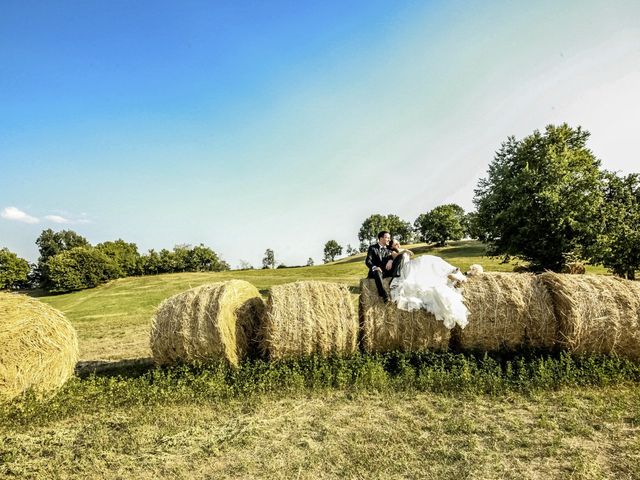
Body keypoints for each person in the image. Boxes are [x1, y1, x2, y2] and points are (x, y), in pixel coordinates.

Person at [388, 240, 470, 329]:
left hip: (411, 266)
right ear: (392, 246)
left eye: (398, 242)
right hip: (407, 269)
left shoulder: (401, 250)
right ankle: (453, 271)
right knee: (425, 260)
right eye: (395, 244)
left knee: (431, 261)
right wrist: (403, 252)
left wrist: (405, 251)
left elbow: (410, 254)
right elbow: (397, 258)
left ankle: (453, 271)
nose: (398, 244)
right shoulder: (393, 252)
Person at [365, 231, 405, 303]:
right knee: (377, 271)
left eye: (389, 238)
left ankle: (394, 278)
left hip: (387, 271)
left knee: (401, 256)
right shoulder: (372, 248)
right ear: (381, 238)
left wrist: (391, 260)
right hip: (376, 272)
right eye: (387, 238)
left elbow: (396, 256)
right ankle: (383, 294)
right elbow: (368, 261)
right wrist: (374, 267)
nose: (389, 240)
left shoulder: (389, 250)